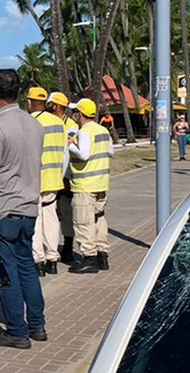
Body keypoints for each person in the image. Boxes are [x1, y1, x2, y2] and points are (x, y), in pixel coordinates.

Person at [0, 70, 46, 349]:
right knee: (26, 267)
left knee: (6, 273)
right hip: (28, 207)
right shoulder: (33, 124)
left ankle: (17, 331)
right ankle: (37, 325)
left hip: (4, 210)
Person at [67, 98, 114, 274]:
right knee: (99, 218)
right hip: (101, 183)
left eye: (74, 112)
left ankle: (89, 258)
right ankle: (102, 255)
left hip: (84, 185)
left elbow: (84, 155)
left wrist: (71, 146)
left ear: (80, 114)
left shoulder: (84, 132)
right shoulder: (103, 130)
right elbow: (111, 151)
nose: (72, 115)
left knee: (83, 222)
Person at [26, 87, 65, 277]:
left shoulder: (31, 122)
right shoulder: (59, 123)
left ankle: (38, 260)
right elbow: (64, 153)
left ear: (29, 101)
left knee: (36, 219)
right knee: (51, 218)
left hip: (35, 179)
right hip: (54, 178)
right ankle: (52, 258)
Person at [45, 91, 77, 263]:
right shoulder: (48, 121)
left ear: (55, 105)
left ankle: (68, 246)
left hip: (64, 176)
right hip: (49, 175)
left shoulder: (70, 125)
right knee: (50, 214)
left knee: (65, 213)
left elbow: (67, 148)